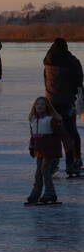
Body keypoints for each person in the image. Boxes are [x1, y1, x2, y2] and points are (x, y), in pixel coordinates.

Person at [43, 38, 83, 176]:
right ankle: (73, 162)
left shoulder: (48, 62)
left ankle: (53, 161)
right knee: (71, 132)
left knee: (54, 133)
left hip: (50, 103)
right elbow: (78, 83)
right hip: (67, 102)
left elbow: (45, 82)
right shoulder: (72, 62)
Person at [26, 96, 72, 205]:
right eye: (38, 104)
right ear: (34, 106)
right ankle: (35, 194)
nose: (39, 106)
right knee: (38, 173)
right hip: (39, 150)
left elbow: (62, 134)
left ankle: (50, 194)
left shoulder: (51, 120)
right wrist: (32, 148)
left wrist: (67, 147)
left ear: (47, 107)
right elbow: (33, 136)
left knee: (45, 171)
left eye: (42, 104)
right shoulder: (33, 119)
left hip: (50, 149)